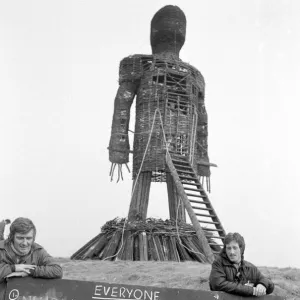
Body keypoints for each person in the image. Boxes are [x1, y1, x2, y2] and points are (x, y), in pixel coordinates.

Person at [0, 217, 63, 298]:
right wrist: (13, 268)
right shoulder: (1, 249)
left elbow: (57, 270)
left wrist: (30, 271)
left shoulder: (38, 251)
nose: (25, 243)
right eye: (20, 238)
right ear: (12, 237)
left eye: (29, 238)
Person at [209, 232, 274, 297]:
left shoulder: (250, 268)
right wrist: (251, 290)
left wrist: (263, 284)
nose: (231, 252)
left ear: (241, 249)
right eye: (228, 248)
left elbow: (269, 284)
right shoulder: (218, 263)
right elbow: (218, 284)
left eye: (235, 248)